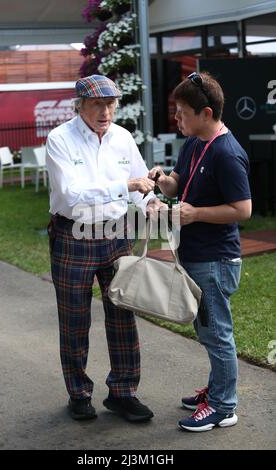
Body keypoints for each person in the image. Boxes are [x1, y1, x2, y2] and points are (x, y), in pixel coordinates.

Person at [46, 74, 163, 423]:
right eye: (98, 103)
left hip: (116, 235)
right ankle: (79, 395)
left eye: (111, 103)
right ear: (79, 105)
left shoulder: (123, 137)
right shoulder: (59, 139)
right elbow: (70, 193)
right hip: (73, 236)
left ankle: (123, 393)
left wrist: (151, 203)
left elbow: (141, 185)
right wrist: (123, 184)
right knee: (74, 319)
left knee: (123, 314)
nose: (106, 110)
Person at [149, 71, 252, 432]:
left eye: (182, 113)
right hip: (198, 256)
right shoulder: (194, 143)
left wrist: (195, 214)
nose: (177, 119)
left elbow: (243, 210)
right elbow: (180, 184)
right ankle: (217, 391)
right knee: (208, 330)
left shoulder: (227, 153)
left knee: (216, 332)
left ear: (206, 113)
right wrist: (164, 183)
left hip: (216, 260)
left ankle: (224, 406)